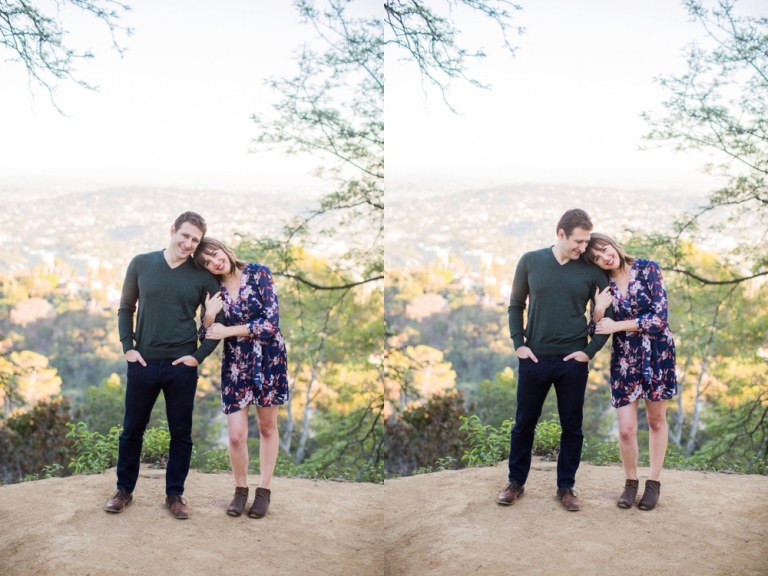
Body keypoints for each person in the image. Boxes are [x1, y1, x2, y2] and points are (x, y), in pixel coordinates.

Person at [106, 211, 224, 519]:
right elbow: (125, 307)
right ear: (172, 230)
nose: (188, 243)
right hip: (143, 362)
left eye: (194, 240)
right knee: (132, 430)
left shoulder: (202, 276)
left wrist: (198, 357)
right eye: (184, 235)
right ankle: (123, 490)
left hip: (181, 366)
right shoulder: (141, 263)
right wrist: (127, 347)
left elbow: (218, 323)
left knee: (181, 433)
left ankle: (175, 495)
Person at [497, 208, 613, 511]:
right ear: (560, 234)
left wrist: (588, 352)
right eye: (578, 241)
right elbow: (515, 304)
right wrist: (518, 344)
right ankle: (515, 483)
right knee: (524, 424)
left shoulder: (590, 271)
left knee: (572, 427)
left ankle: (566, 487)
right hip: (534, 358)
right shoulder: (530, 261)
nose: (583, 248)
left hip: (572, 362)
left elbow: (608, 317)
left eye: (586, 242)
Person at [194, 237, 288, 519]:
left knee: (267, 427)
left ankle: (264, 491)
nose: (214, 262)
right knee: (236, 436)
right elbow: (204, 334)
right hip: (236, 365)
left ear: (223, 247)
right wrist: (209, 318)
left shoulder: (259, 273)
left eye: (214, 254)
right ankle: (240, 490)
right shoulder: (214, 290)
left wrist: (229, 330)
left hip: (269, 360)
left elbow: (271, 324)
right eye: (207, 263)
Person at [586, 233, 677, 511]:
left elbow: (659, 320)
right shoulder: (603, 285)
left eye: (604, 250)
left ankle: (653, 483)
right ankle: (630, 483)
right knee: (626, 430)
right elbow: (594, 330)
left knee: (656, 421)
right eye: (597, 259)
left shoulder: (648, 268)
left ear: (613, 243)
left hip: (657, 355)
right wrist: (600, 313)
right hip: (625, 360)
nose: (605, 257)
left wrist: (618, 325)